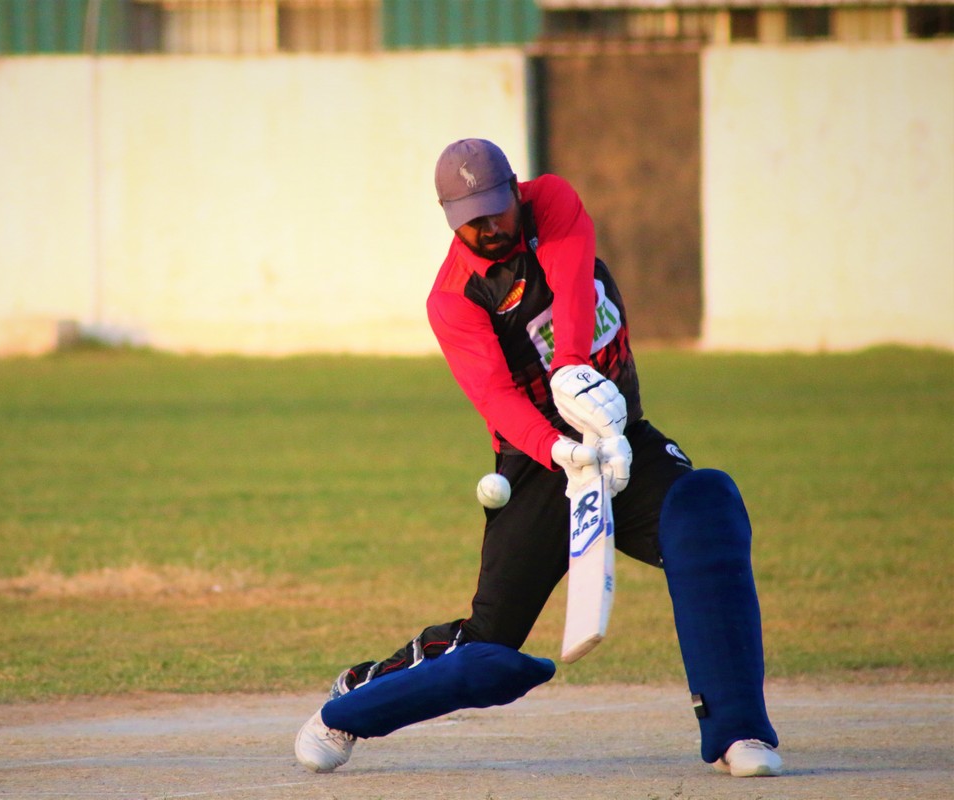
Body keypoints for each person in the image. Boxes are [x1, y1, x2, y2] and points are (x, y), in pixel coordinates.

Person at [293, 138, 783, 778]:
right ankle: (347, 708)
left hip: (621, 440)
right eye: (470, 218)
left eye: (496, 210)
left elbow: (572, 286)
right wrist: (560, 448)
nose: (488, 227)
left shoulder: (551, 202)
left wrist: (574, 371)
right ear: (448, 217)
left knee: (706, 514)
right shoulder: (454, 298)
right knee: (488, 650)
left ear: (515, 192)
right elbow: (495, 397)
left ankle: (738, 732)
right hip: (539, 466)